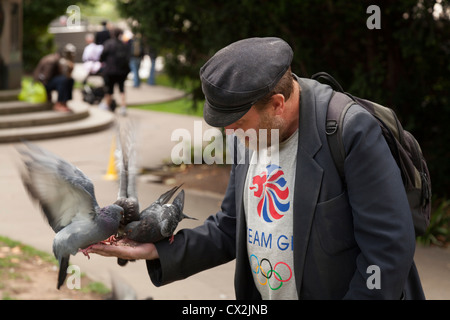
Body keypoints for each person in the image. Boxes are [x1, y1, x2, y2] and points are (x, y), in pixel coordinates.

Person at [88, 37, 425, 300]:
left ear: (277, 104)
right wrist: (155, 250)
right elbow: (230, 226)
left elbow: (387, 251)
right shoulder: (249, 133)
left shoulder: (350, 131)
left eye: (236, 124)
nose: (229, 134)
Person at [33, 43, 76, 112]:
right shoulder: (51, 61)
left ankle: (64, 103)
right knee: (63, 80)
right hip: (41, 84)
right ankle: (58, 104)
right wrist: (47, 94)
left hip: (48, 81)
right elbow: (45, 77)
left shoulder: (58, 60)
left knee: (70, 80)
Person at [99, 28, 130, 116]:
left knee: (109, 89)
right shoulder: (124, 45)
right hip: (121, 71)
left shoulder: (108, 43)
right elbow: (127, 58)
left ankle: (107, 105)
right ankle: (123, 107)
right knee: (122, 89)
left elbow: (102, 56)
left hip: (110, 71)